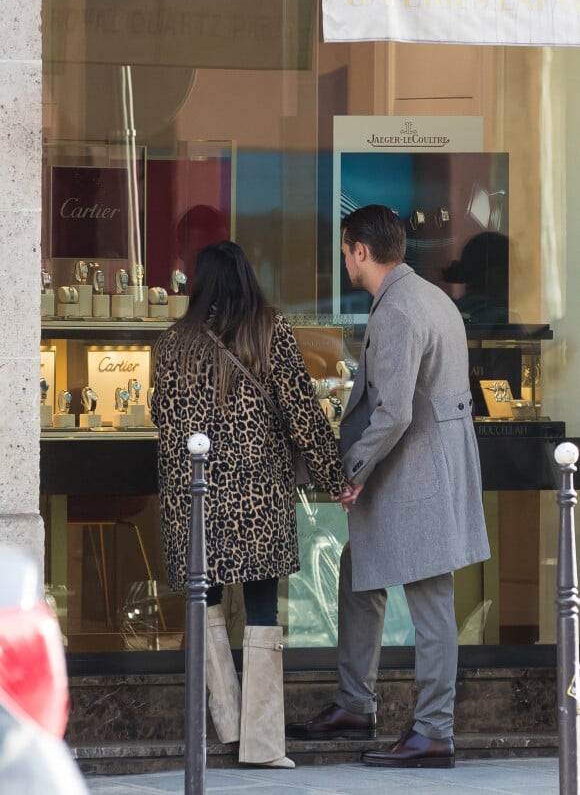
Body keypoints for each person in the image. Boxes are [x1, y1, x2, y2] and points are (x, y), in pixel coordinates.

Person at [286, 204, 490, 769]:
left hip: (414, 475)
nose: (345, 259)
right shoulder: (429, 297)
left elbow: (394, 411)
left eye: (346, 249)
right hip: (424, 471)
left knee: (430, 602)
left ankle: (433, 733)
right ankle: (355, 704)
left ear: (359, 250)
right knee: (359, 575)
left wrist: (352, 473)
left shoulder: (399, 308)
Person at [151, 240, 349, 769]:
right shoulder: (268, 330)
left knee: (207, 606)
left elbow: (159, 413)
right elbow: (302, 412)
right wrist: (336, 478)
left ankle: (226, 728)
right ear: (247, 277)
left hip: (194, 498)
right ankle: (263, 744)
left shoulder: (172, 342)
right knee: (262, 613)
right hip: (257, 494)